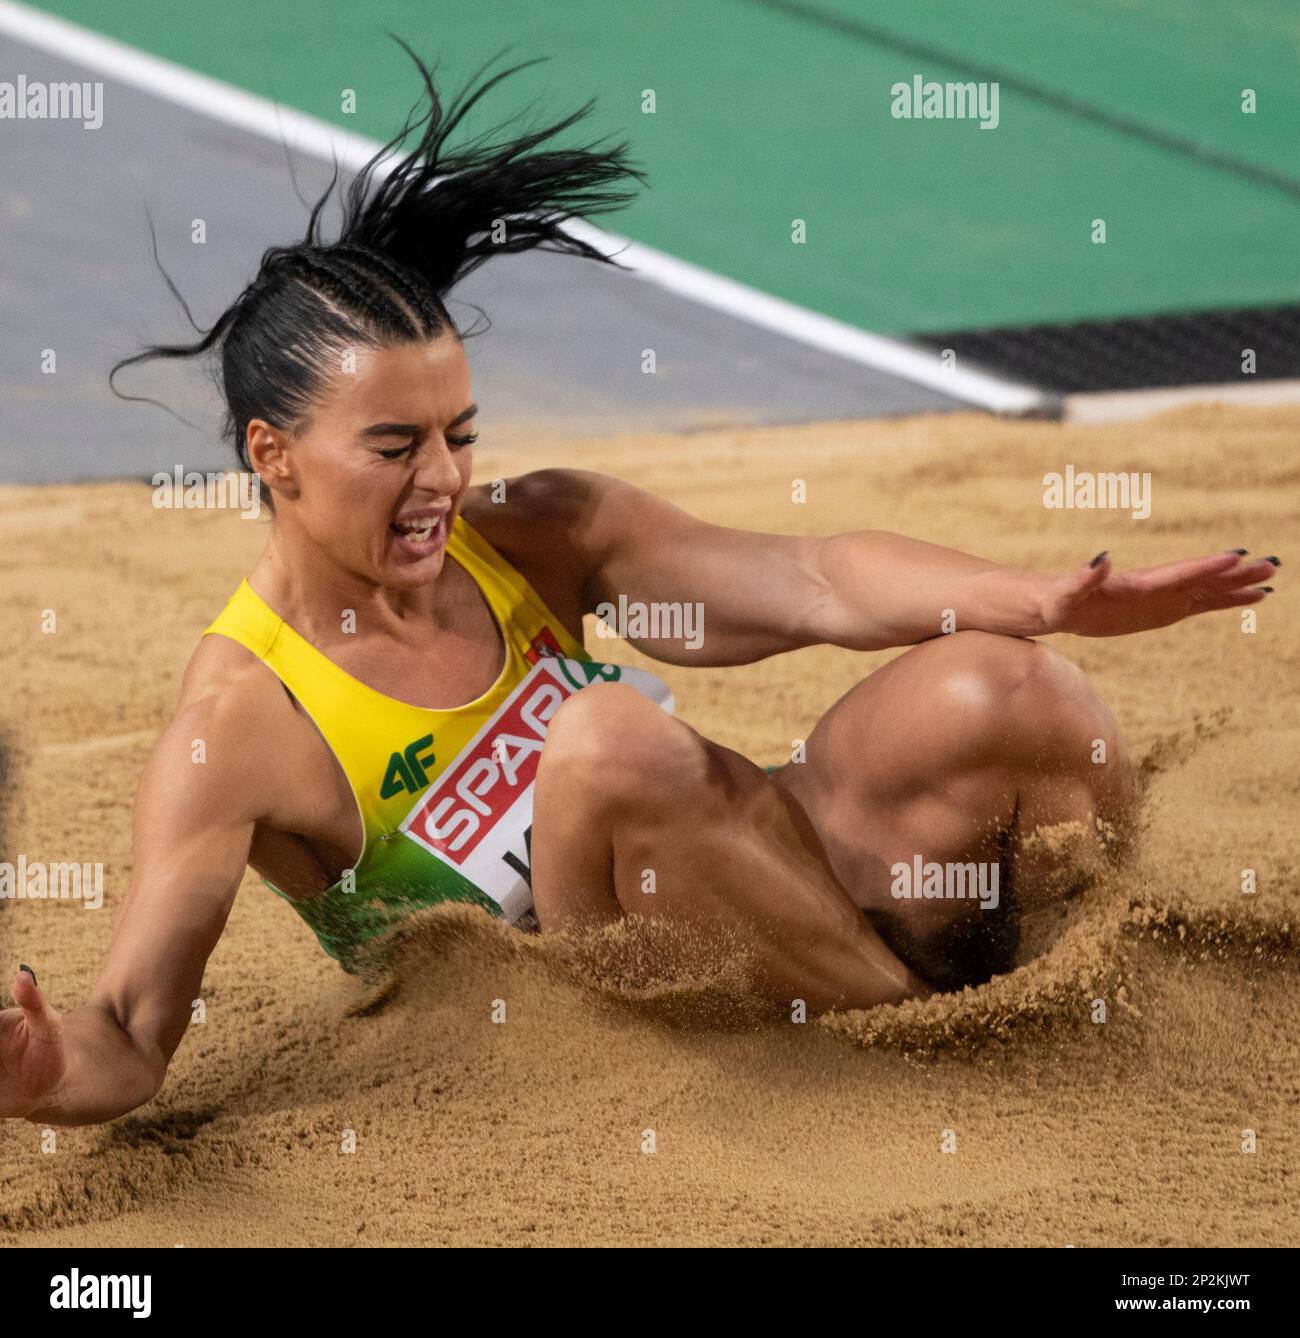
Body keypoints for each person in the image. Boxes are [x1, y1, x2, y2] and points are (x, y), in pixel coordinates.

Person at [1, 50, 1279, 1128]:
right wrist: (39, 1068)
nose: (444, 477)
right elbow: (126, 1029)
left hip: (752, 893)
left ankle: (1126, 965)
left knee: (1000, 682)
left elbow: (813, 578)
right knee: (606, 742)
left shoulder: (538, 532)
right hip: (616, 1023)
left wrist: (1038, 596)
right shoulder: (242, 721)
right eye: (394, 448)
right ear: (270, 455)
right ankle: (942, 1060)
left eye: (459, 432)